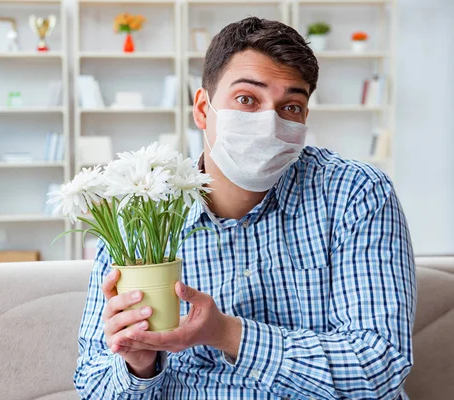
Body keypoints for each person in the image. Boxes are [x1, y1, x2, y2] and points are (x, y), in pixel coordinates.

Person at [74, 16, 415, 400]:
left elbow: (380, 367)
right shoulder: (138, 214)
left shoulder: (356, 194)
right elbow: (94, 386)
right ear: (202, 109)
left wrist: (225, 333)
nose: (269, 124)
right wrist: (138, 364)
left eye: (291, 106)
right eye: (247, 99)